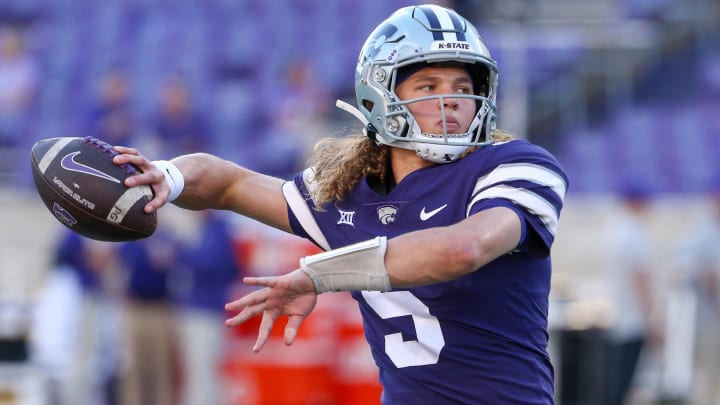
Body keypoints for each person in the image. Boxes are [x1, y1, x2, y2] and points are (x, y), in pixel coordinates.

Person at [111, 5, 568, 403]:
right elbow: (228, 184)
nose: (450, 101)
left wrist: (320, 274)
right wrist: (167, 175)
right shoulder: (348, 194)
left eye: (461, 84)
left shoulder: (512, 166)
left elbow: (461, 250)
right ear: (381, 95)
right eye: (427, 86)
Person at [601, 187, 663, 405]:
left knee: (614, 385)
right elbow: (641, 282)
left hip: (617, 317)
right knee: (623, 386)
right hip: (633, 321)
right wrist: (652, 321)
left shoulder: (616, 231)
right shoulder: (635, 234)